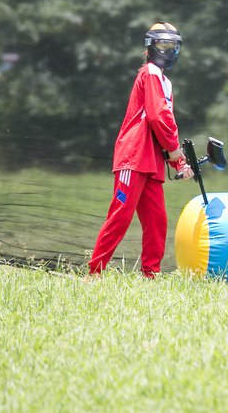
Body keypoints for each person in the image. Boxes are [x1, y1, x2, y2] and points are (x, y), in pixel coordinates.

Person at [88, 21, 194, 278]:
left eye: (172, 46)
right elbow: (158, 117)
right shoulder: (150, 73)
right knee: (120, 216)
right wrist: (176, 154)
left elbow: (163, 122)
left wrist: (176, 160)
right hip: (134, 156)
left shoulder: (164, 81)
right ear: (150, 47)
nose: (167, 51)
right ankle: (94, 273)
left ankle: (151, 275)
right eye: (162, 45)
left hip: (152, 161)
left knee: (157, 221)